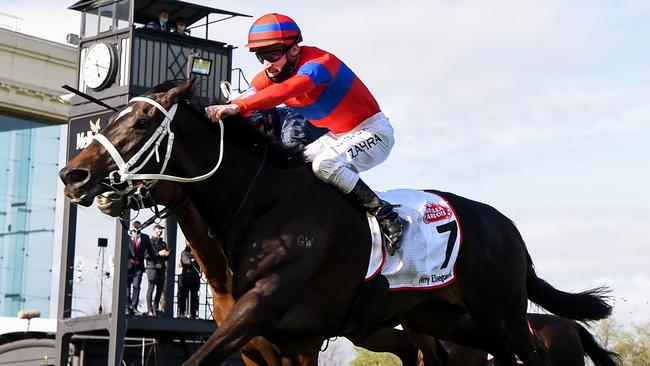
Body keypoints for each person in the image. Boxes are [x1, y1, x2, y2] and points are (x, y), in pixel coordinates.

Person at [205, 13, 407, 253]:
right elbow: (248, 98)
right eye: (261, 57)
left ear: (293, 50)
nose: (267, 64)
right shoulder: (271, 74)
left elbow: (289, 88)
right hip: (339, 135)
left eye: (272, 55)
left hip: (374, 131)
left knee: (325, 164)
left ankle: (388, 217)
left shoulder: (320, 63)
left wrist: (239, 106)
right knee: (291, 166)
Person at [127, 221, 157, 315]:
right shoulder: (127, 236)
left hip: (139, 266)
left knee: (136, 286)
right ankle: (127, 307)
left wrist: (156, 261)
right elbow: (123, 249)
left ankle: (134, 306)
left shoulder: (145, 238)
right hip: (128, 266)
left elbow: (151, 251)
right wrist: (129, 259)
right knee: (127, 286)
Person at [145, 224, 170, 316]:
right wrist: (159, 254)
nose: (160, 231)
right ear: (154, 230)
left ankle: (155, 309)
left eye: (161, 230)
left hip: (162, 269)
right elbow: (146, 255)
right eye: (159, 229)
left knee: (160, 290)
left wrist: (167, 254)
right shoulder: (149, 242)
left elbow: (166, 258)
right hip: (152, 268)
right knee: (151, 289)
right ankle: (149, 309)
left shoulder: (163, 243)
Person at [178, 244, 201, 319]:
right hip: (186, 277)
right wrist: (194, 259)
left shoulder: (197, 253)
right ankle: (182, 313)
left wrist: (194, 259)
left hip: (195, 278)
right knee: (183, 295)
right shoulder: (184, 253)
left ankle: (193, 314)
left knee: (194, 296)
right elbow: (186, 261)